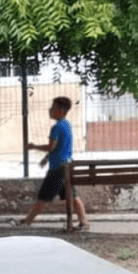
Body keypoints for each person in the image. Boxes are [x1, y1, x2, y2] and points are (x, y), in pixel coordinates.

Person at [16, 96, 89, 229]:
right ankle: (84, 222)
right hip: (67, 166)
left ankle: (26, 222)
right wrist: (46, 158)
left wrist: (34, 146)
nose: (50, 110)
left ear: (61, 110)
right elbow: (60, 147)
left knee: (43, 196)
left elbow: (51, 146)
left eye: (53, 108)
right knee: (72, 195)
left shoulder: (56, 128)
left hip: (57, 169)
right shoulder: (67, 125)